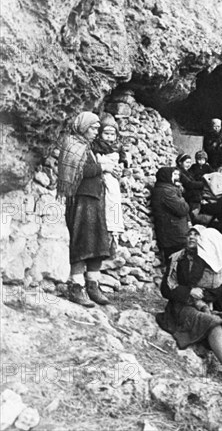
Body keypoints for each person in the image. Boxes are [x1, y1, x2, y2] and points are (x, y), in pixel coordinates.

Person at [156, 226, 222, 389]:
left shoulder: (215, 259)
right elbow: (166, 288)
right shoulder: (178, 258)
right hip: (181, 308)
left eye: (197, 235)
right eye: (190, 234)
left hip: (207, 306)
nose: (192, 237)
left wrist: (205, 295)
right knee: (213, 324)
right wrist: (189, 291)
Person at [57, 111, 120, 307]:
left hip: (94, 200)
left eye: (97, 129)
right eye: (93, 128)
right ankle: (77, 287)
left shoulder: (87, 147)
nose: (96, 132)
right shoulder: (73, 145)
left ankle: (93, 285)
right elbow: (80, 171)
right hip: (81, 201)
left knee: (98, 244)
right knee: (82, 243)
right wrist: (103, 168)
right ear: (83, 127)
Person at [92, 113, 128, 255]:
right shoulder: (95, 146)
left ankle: (113, 238)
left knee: (113, 206)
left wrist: (123, 174)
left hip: (114, 182)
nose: (109, 137)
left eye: (112, 134)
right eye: (106, 133)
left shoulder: (118, 147)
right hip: (101, 179)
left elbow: (124, 163)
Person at [151, 166, 190, 265]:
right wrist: (182, 198)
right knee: (177, 264)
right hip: (174, 234)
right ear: (167, 176)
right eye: (174, 175)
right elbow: (183, 209)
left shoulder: (167, 189)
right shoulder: (166, 191)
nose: (176, 177)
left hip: (172, 233)